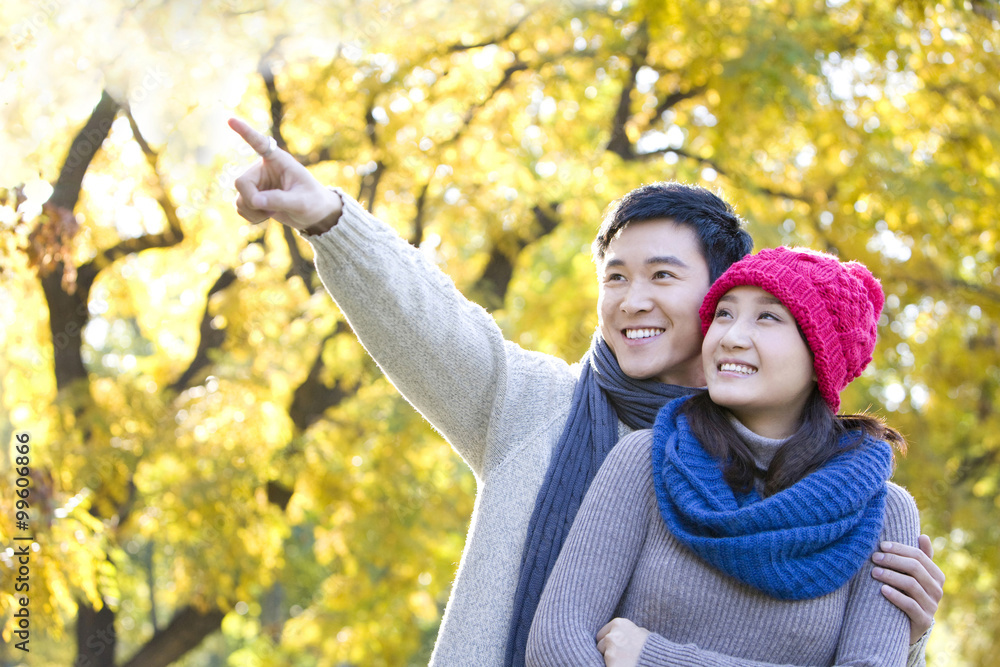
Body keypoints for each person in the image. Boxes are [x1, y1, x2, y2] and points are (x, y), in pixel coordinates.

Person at [226, 118, 943, 665]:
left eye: (662, 276)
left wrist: (901, 631)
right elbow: (430, 322)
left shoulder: (825, 492)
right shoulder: (538, 406)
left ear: (719, 292)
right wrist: (327, 218)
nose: (632, 299)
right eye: (615, 277)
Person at [527, 247, 921, 666]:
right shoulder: (647, 461)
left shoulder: (878, 513)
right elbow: (556, 644)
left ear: (818, 359)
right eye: (724, 314)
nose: (731, 336)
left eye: (767, 317)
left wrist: (654, 658)